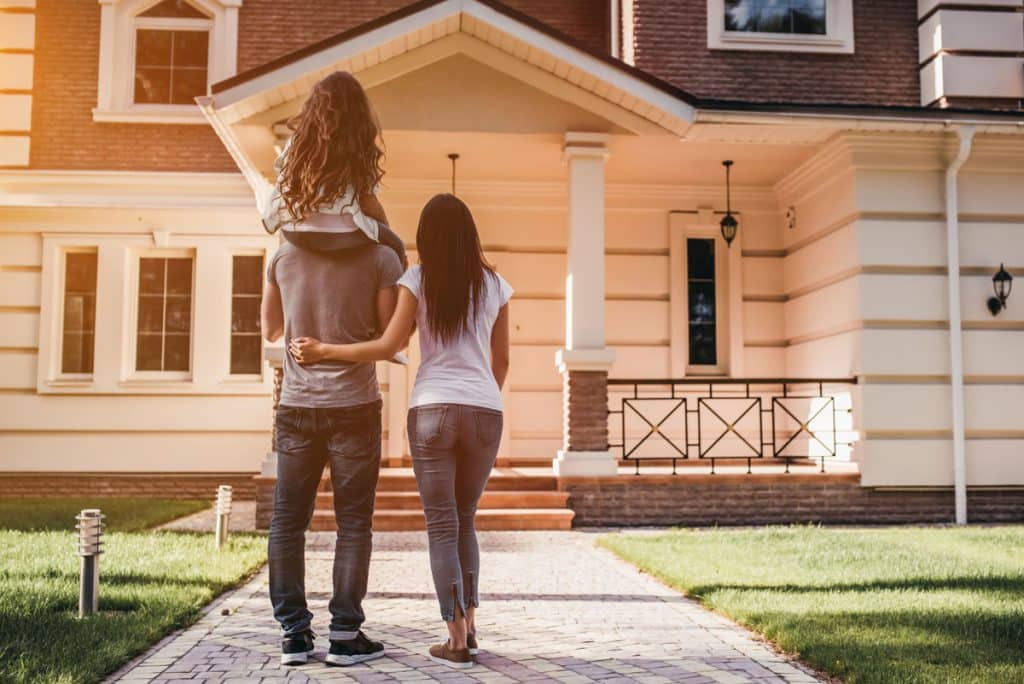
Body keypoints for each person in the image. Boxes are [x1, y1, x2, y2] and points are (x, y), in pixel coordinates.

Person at [290, 194, 512, 670]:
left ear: (427, 238)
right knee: (466, 519)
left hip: (431, 409)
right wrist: (480, 398)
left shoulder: (418, 279)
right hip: (485, 410)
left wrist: (325, 350)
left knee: (443, 525)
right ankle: (471, 629)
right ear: (470, 234)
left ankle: (455, 639)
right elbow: (502, 360)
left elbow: (389, 344)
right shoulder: (495, 284)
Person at [260, 70, 403, 668]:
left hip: (296, 405)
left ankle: (294, 636)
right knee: (354, 523)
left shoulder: (282, 254)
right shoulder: (381, 256)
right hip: (355, 405)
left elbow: (271, 331)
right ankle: (346, 635)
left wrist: (304, 337)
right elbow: (387, 333)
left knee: (286, 521)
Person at [259, 71, 406, 266]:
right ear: (358, 112)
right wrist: (384, 228)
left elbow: (283, 187)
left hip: (297, 233)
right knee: (398, 248)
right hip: (343, 235)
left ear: (313, 109)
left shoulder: (298, 144)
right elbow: (367, 201)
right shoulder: (355, 145)